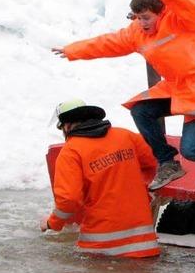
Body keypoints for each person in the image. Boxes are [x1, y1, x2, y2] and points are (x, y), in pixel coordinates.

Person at [52, 0, 195, 191]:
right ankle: (167, 163)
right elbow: (108, 43)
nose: (141, 22)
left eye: (146, 17)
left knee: (191, 150)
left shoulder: (182, 22)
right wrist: (72, 50)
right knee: (140, 110)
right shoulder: (137, 33)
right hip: (176, 89)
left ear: (160, 13)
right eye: (137, 17)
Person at [40, 99, 161, 258]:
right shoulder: (125, 136)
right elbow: (154, 163)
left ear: (67, 126)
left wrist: (52, 223)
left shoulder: (71, 151)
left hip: (101, 248)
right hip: (144, 245)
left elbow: (69, 200)